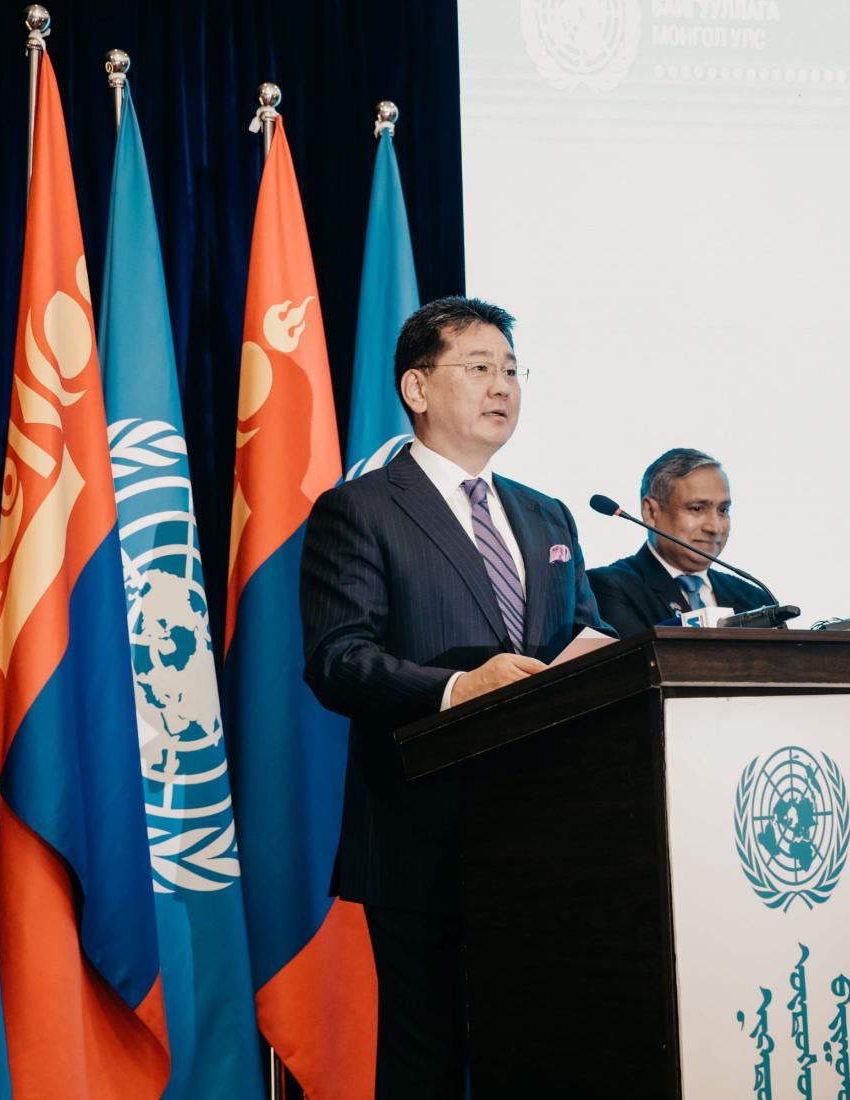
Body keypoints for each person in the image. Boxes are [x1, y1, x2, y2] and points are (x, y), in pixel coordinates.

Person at [300, 296, 608, 1098]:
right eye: (479, 367)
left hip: (546, 837)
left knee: (538, 1052)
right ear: (417, 388)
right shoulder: (360, 511)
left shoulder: (547, 514)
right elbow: (338, 660)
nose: (502, 385)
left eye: (511, 369)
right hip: (420, 831)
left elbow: (583, 640)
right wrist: (457, 689)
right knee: (427, 1059)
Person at [587, 447, 766, 636]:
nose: (715, 527)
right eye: (697, 508)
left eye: (723, 510)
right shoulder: (608, 588)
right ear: (651, 512)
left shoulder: (756, 599)